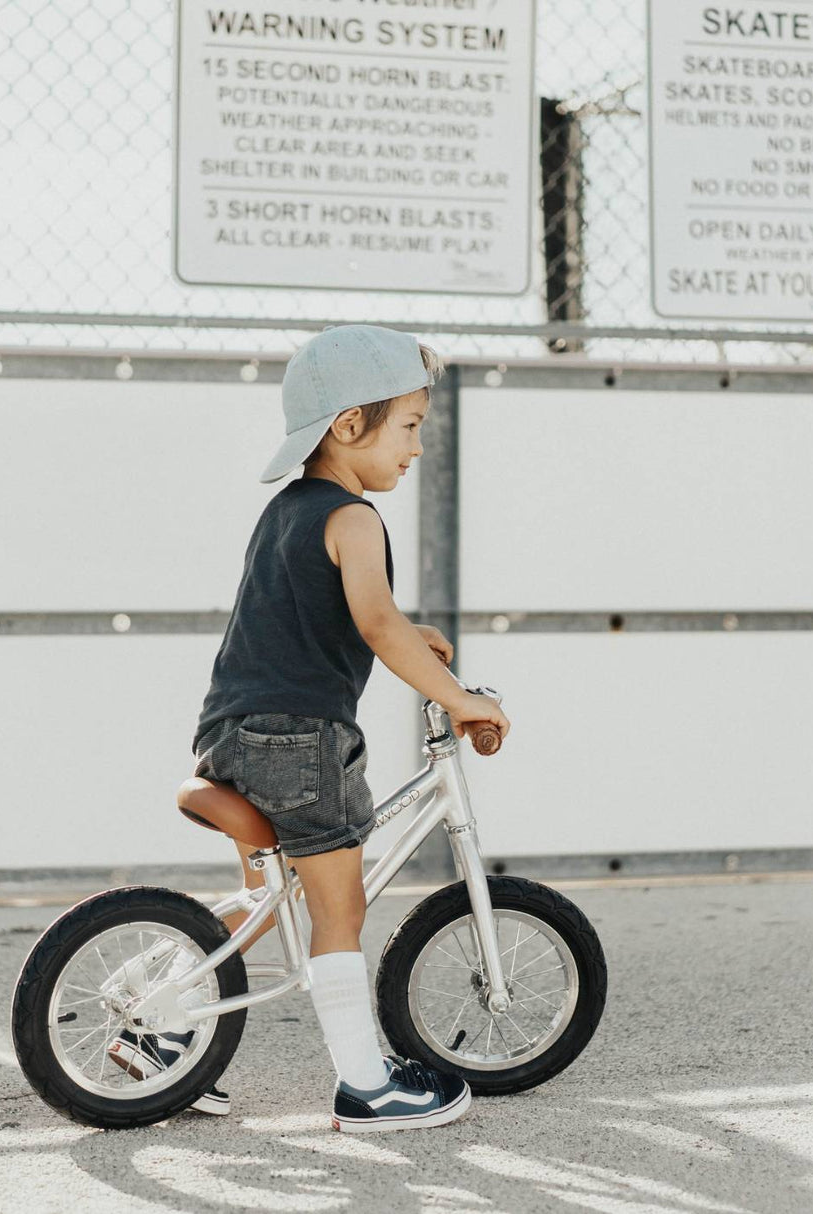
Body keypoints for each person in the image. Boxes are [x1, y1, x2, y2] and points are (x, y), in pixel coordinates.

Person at [118, 324, 511, 1132]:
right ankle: (366, 1087)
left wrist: (414, 632)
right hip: (303, 743)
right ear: (348, 426)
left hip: (234, 733)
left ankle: (156, 1025)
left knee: (273, 904)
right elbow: (373, 625)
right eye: (409, 428)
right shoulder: (357, 520)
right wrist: (461, 697)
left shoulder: (288, 511)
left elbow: (326, 610)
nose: (417, 448)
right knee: (340, 913)